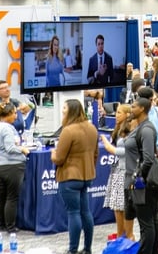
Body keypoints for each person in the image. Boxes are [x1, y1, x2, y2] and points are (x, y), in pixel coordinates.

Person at [51, 99, 98, 254]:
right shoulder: (92, 128)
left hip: (70, 177)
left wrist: (53, 154)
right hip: (87, 176)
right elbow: (95, 154)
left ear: (70, 110)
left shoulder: (68, 130)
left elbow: (59, 158)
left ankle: (72, 250)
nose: (62, 110)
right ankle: (88, 248)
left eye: (64, 107)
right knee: (86, 212)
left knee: (73, 213)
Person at [124, 97, 158, 254]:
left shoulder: (146, 130)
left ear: (142, 109)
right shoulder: (141, 127)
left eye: (134, 106)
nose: (131, 109)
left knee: (147, 223)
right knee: (151, 220)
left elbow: (148, 159)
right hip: (143, 182)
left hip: (143, 185)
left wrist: (137, 178)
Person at [0, 102, 30, 233]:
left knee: (1, 196)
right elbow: (10, 148)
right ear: (7, 114)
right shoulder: (7, 128)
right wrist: (23, 150)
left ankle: (1, 225)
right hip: (10, 166)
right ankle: (10, 226)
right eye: (14, 113)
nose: (15, 116)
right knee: (11, 197)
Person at [101, 103, 135, 239]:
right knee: (117, 206)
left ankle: (128, 236)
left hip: (125, 171)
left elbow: (128, 151)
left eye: (120, 112)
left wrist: (109, 147)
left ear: (127, 114)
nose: (116, 115)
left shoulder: (130, 130)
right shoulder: (118, 129)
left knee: (123, 206)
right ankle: (121, 234)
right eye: (116, 112)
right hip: (116, 170)